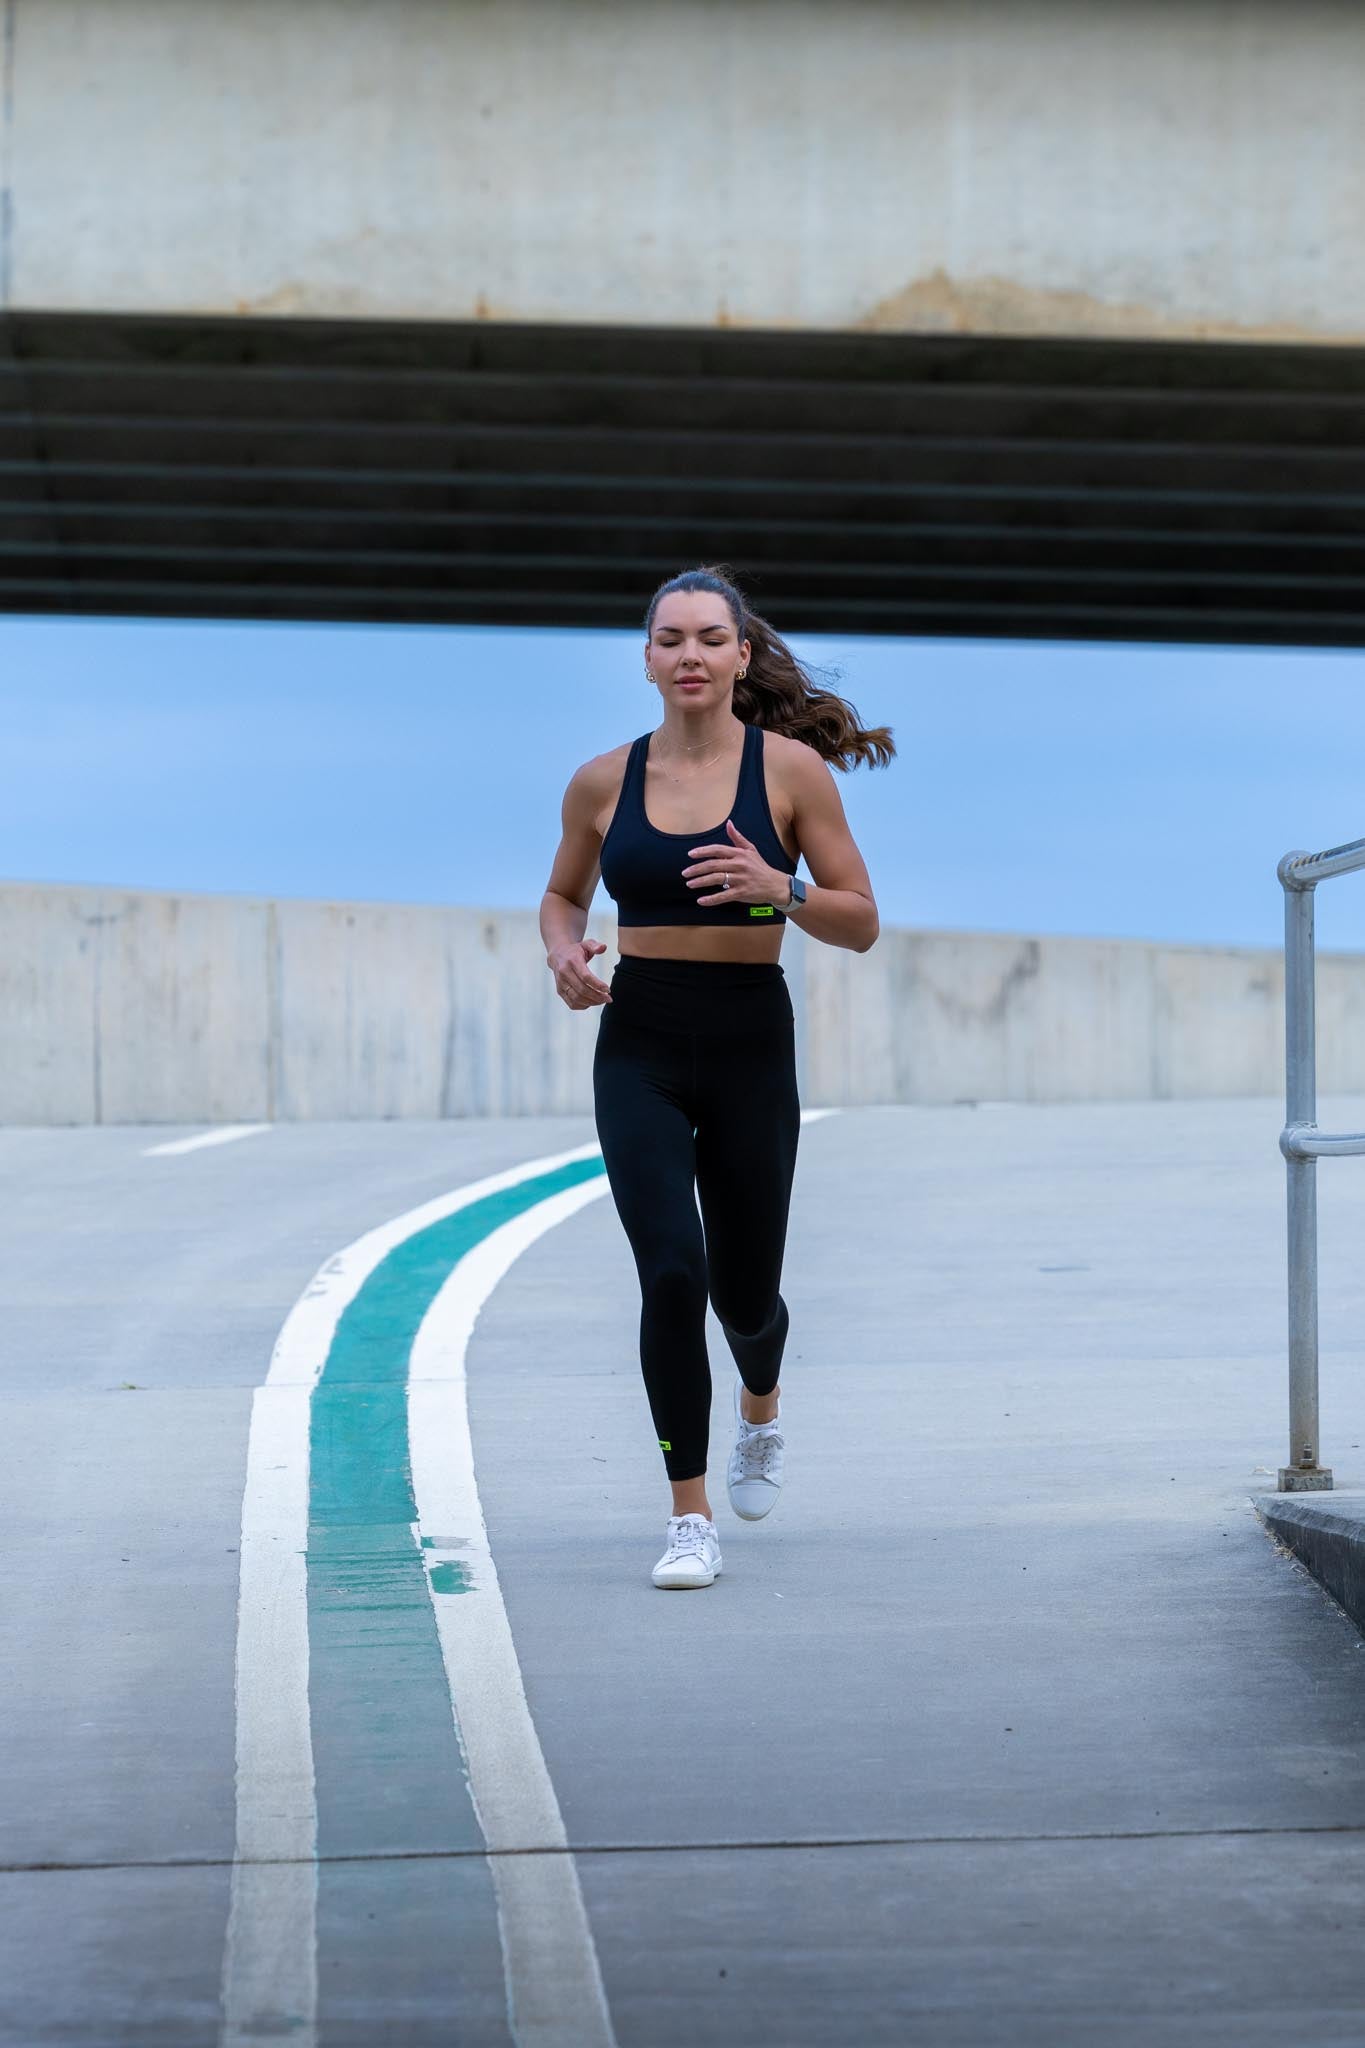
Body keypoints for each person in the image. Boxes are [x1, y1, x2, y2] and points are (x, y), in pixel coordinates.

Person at [540, 565, 891, 1588]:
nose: (687, 655)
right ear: (647, 660)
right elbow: (562, 895)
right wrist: (564, 953)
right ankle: (687, 1513)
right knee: (671, 1273)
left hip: (747, 1039)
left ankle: (760, 1407)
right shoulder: (601, 781)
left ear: (740, 655)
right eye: (669, 639)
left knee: (743, 1295)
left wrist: (780, 888)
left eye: (707, 638)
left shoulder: (789, 773)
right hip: (640, 1040)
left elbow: (861, 921)